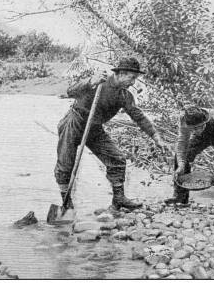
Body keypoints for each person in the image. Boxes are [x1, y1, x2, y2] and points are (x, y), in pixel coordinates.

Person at [54, 57, 167, 210]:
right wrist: (90, 82)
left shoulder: (124, 96)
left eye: (135, 78)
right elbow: (70, 91)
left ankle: (118, 199)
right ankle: (66, 204)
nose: (133, 82)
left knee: (117, 159)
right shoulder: (98, 82)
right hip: (75, 121)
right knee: (65, 164)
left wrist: (156, 137)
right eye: (131, 78)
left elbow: (138, 116)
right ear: (120, 73)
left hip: (94, 128)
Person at [165, 106, 214, 217]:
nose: (195, 131)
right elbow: (182, 143)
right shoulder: (184, 119)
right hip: (203, 137)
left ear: (205, 122)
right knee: (181, 156)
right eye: (193, 129)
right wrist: (181, 164)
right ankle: (180, 197)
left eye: (198, 127)